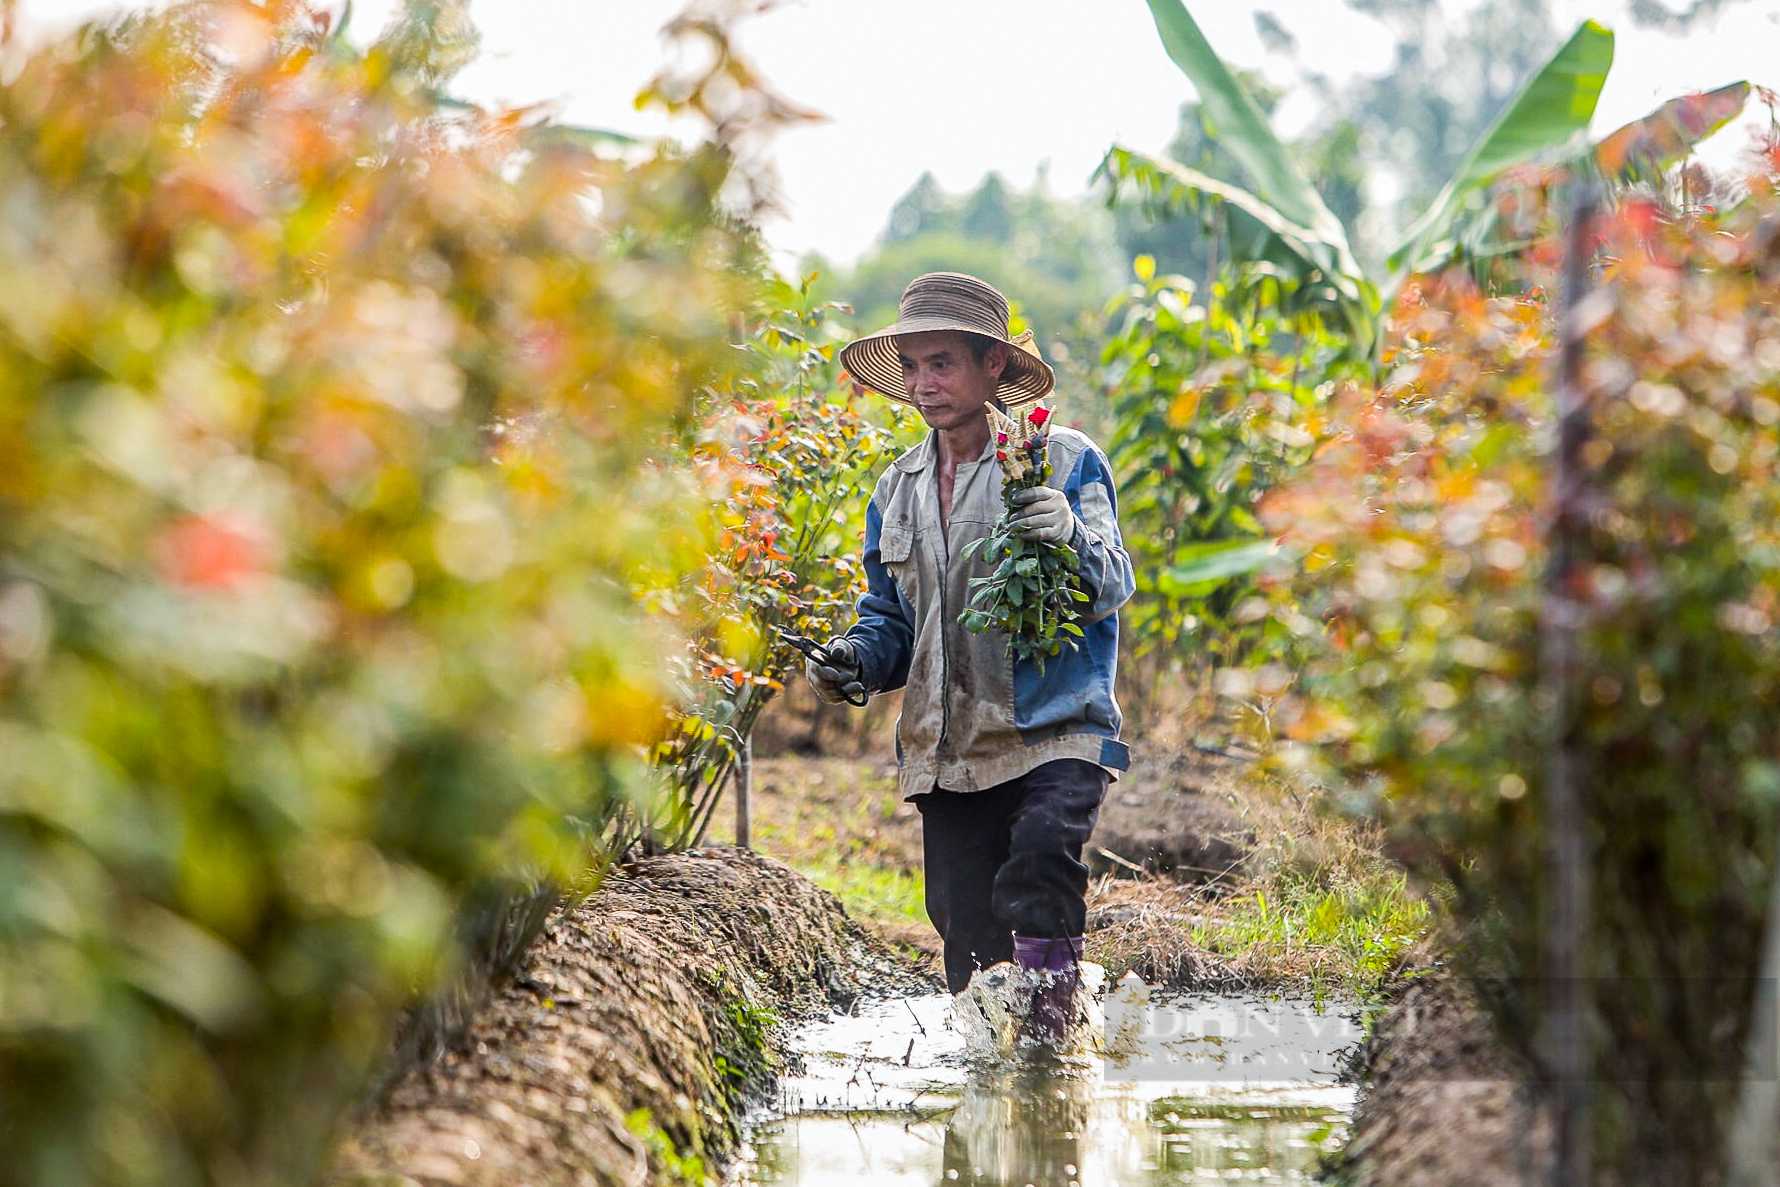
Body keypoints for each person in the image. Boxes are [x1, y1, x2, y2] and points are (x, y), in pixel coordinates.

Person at [806, 271, 1135, 1041]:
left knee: (1040, 861)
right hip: (950, 747)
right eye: (914, 366)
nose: (924, 384)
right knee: (962, 927)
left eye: (943, 362)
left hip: (1055, 729)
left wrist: (1070, 535)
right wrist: (853, 659)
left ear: (994, 367)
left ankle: (1056, 1049)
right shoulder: (897, 490)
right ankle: (995, 1076)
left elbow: (1113, 580)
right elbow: (889, 619)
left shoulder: (1062, 461)